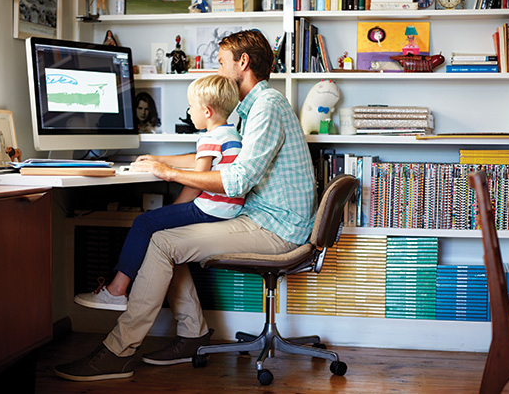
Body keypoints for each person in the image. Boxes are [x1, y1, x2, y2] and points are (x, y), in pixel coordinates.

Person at [54, 29, 316, 381]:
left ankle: (116, 353)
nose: (218, 71)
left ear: (243, 63)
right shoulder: (249, 108)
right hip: (264, 218)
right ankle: (193, 335)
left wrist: (169, 173)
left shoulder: (266, 107)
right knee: (166, 232)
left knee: (162, 241)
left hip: (276, 228)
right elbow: (209, 154)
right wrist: (154, 161)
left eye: (222, 63)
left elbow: (236, 180)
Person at [73, 74, 243, 312]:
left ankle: (116, 290)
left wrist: (171, 211)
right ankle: (119, 288)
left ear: (206, 111)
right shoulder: (232, 135)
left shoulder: (208, 138)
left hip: (211, 208)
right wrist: (160, 160)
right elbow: (200, 162)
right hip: (229, 209)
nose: (189, 111)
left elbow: (196, 183)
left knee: (145, 222)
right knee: (155, 222)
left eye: (191, 106)